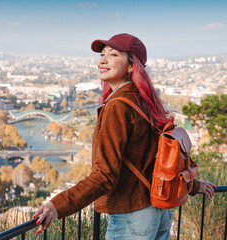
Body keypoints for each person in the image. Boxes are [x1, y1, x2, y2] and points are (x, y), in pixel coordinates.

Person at [32, 33, 218, 239]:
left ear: (132, 66)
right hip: (159, 210)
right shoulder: (146, 101)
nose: (102, 60)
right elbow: (158, 162)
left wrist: (57, 205)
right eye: (102, 54)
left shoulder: (117, 107)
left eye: (113, 55)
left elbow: (104, 176)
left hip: (133, 216)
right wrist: (193, 185)